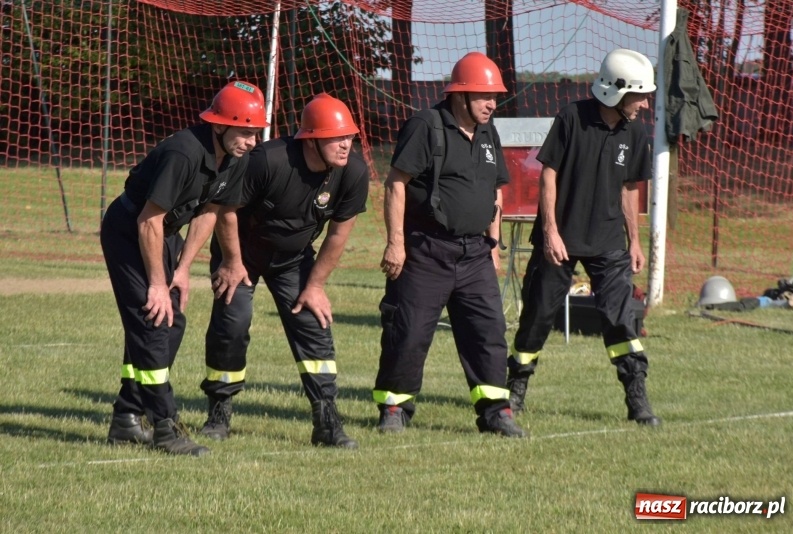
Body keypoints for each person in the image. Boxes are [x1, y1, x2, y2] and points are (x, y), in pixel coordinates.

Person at [101, 81, 267, 456]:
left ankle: (127, 418)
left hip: (166, 232)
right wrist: (157, 285)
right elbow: (148, 220)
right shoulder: (183, 152)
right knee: (154, 319)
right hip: (131, 230)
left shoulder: (236, 158)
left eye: (256, 133)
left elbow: (210, 211)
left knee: (172, 322)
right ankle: (165, 426)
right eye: (245, 132)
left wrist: (182, 271)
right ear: (219, 126)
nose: (252, 141)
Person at [200, 93, 369, 448]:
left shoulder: (353, 171)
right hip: (241, 253)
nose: (345, 145)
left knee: (313, 323)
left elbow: (339, 232)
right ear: (311, 138)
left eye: (349, 136)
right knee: (233, 321)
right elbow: (224, 209)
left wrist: (316, 286)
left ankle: (326, 420)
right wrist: (231, 263)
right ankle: (219, 411)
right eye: (337, 137)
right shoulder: (269, 160)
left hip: (293, 259)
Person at [372, 51, 526, 437]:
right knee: (409, 330)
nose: (492, 103)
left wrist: (492, 245)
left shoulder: (488, 131)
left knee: (488, 331)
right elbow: (395, 184)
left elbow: (495, 192)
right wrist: (396, 244)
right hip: (426, 250)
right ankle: (395, 408)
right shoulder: (426, 126)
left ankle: (495, 411)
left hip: (475, 254)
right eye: (484, 95)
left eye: (495, 95)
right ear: (460, 95)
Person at [505, 48, 662, 426]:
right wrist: (551, 233)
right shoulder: (571, 118)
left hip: (608, 242)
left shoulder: (636, 131)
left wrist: (634, 242)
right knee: (538, 316)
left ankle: (636, 398)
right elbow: (548, 175)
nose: (643, 104)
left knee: (621, 318)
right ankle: (517, 386)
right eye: (639, 95)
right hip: (559, 240)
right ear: (616, 91)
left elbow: (628, 188)